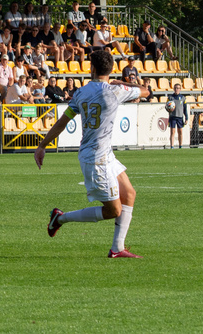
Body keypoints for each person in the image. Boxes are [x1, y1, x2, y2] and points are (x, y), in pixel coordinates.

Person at [34, 50, 150, 258]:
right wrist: (121, 82)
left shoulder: (81, 92)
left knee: (129, 194)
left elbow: (64, 120)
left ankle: (117, 248)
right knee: (113, 211)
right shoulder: (117, 91)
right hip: (96, 159)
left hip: (103, 154)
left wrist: (43, 145)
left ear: (92, 68)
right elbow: (145, 92)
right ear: (111, 69)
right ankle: (60, 218)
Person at [167, 83, 189, 148]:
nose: (176, 89)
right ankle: (172, 146)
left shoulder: (183, 98)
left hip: (180, 117)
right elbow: (167, 107)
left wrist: (186, 118)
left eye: (178, 88)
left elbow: (185, 109)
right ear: (174, 89)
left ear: (180, 89)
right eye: (175, 88)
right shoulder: (170, 97)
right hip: (173, 117)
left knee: (180, 131)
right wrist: (169, 109)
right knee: (172, 132)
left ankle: (180, 145)